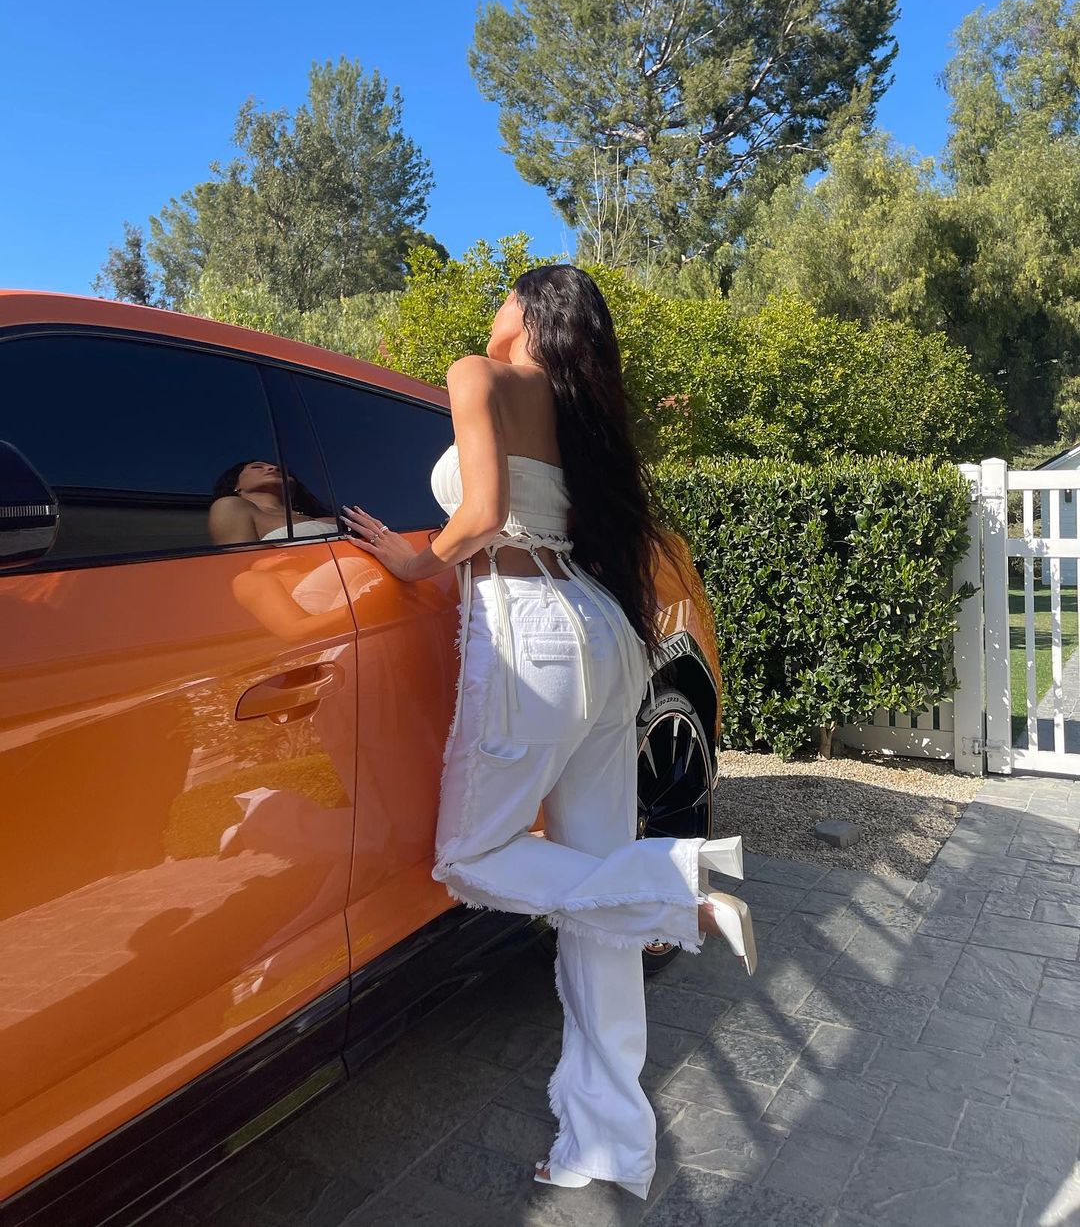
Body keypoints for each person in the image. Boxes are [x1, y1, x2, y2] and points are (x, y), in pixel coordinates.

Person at [341, 266, 754, 1200]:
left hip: (530, 634)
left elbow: (482, 514)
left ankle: (675, 892)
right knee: (591, 915)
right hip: (600, 633)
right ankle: (607, 1143)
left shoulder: (477, 373)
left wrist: (411, 558)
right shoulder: (578, 417)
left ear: (527, 311)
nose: (490, 310)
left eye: (504, 295)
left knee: (469, 855)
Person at [208, 460, 338, 545]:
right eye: (257, 467)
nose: (274, 468)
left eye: (281, 470)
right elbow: (244, 564)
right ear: (235, 485)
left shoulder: (332, 519)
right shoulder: (229, 506)